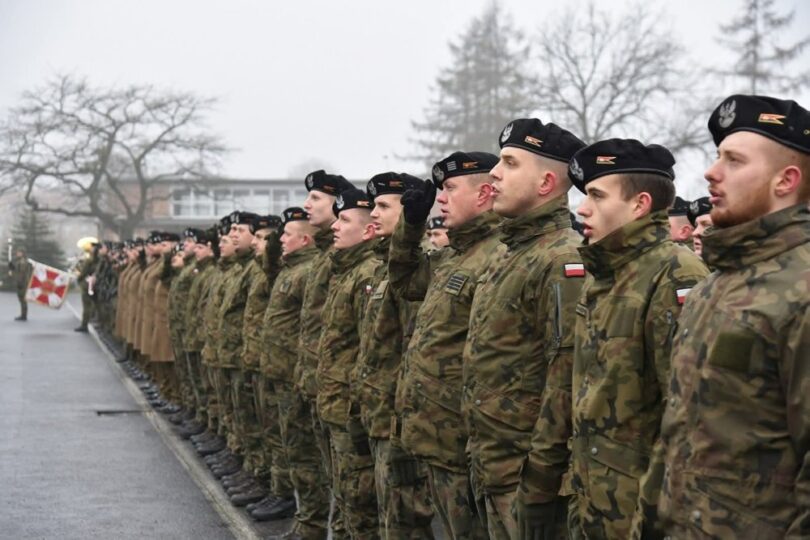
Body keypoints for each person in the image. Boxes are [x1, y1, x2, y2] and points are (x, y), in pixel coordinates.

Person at [656, 95, 810, 538]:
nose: (711, 171)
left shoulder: (801, 288)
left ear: (786, 180)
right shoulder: (713, 286)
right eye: (717, 156)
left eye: (734, 160)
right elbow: (675, 431)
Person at [562, 138, 709, 539]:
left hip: (639, 512)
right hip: (595, 499)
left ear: (640, 204)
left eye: (597, 195)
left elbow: (684, 417)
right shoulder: (607, 272)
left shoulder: (674, 274)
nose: (582, 208)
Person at [463, 119, 586, 540]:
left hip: (530, 481)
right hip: (493, 465)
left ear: (547, 182)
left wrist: (541, 483)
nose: (494, 173)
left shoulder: (562, 259)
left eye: (510, 163)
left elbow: (566, 380)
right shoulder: (510, 252)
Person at [392, 150, 500, 540]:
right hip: (438, 435)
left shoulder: (498, 253)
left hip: (464, 440)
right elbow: (405, 282)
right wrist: (410, 226)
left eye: (451, 188)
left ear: (484, 193)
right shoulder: (455, 255)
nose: (441, 198)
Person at [356, 171, 434, 539]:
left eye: (383, 206)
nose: (373, 214)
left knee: (405, 519)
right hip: (379, 411)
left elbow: (412, 348)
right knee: (388, 514)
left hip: (398, 418)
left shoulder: (419, 266)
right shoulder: (385, 266)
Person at [258, 207, 328, 534]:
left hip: (293, 373)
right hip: (282, 370)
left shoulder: (308, 271)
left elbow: (311, 326)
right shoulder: (291, 269)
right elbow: (269, 265)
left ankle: (312, 522)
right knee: (288, 445)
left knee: (303, 454)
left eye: (287, 235)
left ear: (304, 240)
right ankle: (303, 515)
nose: (280, 240)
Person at [317, 187, 381, 539]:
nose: (335, 226)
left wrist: (354, 408)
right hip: (335, 401)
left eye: (343, 220)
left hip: (350, 409)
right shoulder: (347, 271)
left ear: (368, 230)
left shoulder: (367, 275)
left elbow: (367, 350)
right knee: (343, 493)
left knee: (359, 501)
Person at [9, 248, 33, 321]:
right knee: (21, 299)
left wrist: (20, 282)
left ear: (22, 253)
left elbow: (22, 273)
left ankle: (23, 316)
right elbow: (17, 270)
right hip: (21, 282)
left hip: (23, 283)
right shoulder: (20, 261)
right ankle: (23, 315)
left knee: (23, 299)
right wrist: (12, 267)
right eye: (17, 252)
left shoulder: (23, 261)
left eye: (19, 252)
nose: (17, 253)